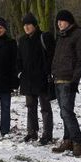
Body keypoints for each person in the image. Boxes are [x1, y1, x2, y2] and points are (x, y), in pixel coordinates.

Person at [50, 9, 81, 156]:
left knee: (67, 112)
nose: (59, 23)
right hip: (58, 78)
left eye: (62, 21)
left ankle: (78, 142)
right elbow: (57, 57)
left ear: (70, 21)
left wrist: (75, 80)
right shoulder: (61, 36)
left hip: (69, 80)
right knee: (63, 112)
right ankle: (68, 140)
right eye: (58, 21)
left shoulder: (79, 34)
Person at [17, 13, 55, 145]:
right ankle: (32, 132)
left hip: (42, 78)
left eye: (29, 24)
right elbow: (19, 58)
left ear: (35, 25)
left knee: (45, 108)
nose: (26, 27)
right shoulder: (22, 40)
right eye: (24, 25)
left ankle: (47, 134)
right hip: (27, 79)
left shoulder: (44, 37)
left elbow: (51, 56)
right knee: (30, 107)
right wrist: (19, 72)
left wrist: (47, 72)